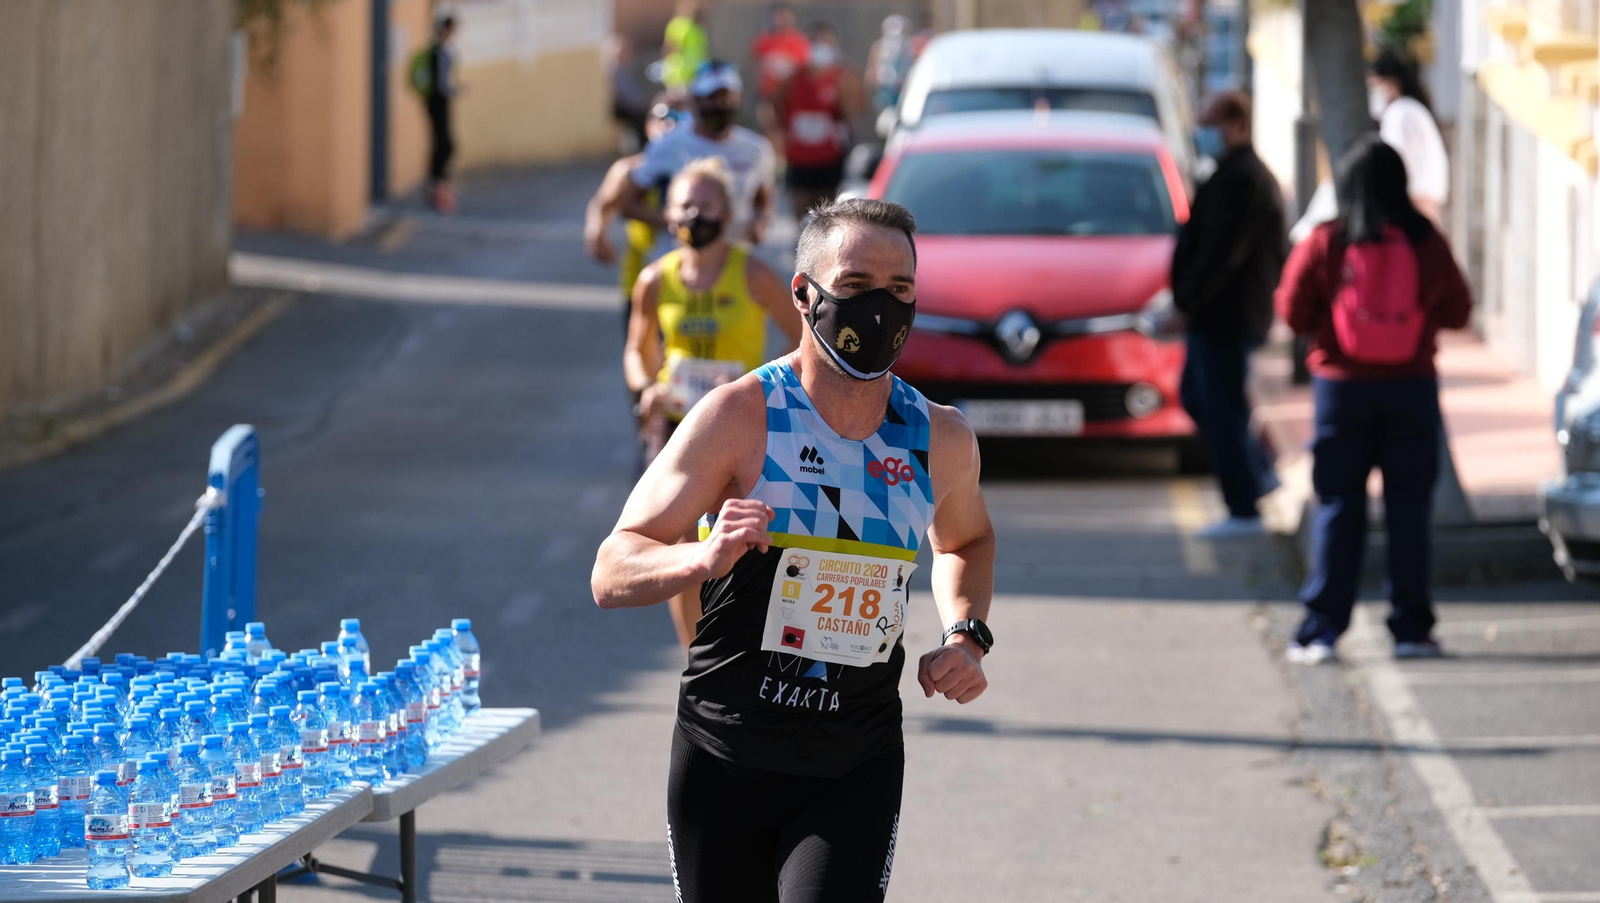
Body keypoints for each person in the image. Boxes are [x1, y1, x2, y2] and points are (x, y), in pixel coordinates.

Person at [592, 198, 996, 902]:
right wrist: (701, 558)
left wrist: (966, 633)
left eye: (901, 290)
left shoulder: (939, 435)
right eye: (857, 285)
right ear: (804, 296)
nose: (880, 308)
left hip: (854, 761)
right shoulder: (740, 417)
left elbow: (966, 538)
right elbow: (613, 565)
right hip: (726, 756)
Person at [1278, 135, 1472, 664]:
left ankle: (1321, 629)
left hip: (1341, 390)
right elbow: (1459, 310)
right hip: (1411, 389)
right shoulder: (1425, 239)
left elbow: (1292, 312)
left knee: (1340, 508)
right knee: (1409, 511)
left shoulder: (1327, 239)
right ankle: (1411, 629)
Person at [625, 158, 803, 652]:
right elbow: (636, 349)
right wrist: (647, 389)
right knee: (679, 546)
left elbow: (805, 340)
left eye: (707, 204)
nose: (694, 214)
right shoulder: (655, 280)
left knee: (739, 545)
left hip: (739, 428)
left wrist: (760, 385)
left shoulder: (755, 274)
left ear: (728, 212)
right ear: (669, 213)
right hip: (679, 426)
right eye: (685, 204)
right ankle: (694, 656)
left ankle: (742, 650)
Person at [1171, 91, 1287, 536]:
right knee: (1202, 398)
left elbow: (1221, 254)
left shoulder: (1243, 178)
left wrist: (1186, 306)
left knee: (1221, 409)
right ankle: (1258, 472)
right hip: (1218, 316)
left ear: (1237, 125)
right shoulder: (1231, 173)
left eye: (1211, 123)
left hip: (1226, 317)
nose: (1203, 132)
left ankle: (1245, 507)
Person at [621, 61, 777, 245]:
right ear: (695, 99)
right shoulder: (668, 144)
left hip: (736, 260)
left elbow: (764, 197)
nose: (721, 104)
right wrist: (673, 219)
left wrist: (760, 223)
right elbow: (629, 204)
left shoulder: (757, 148)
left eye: (727, 96)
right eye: (711, 97)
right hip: (680, 259)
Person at [585, 94, 690, 332]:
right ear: (647, 125)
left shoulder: (695, 170)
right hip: (640, 279)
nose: (672, 125)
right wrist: (597, 233)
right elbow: (602, 204)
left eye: (683, 117)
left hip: (687, 281)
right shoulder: (630, 168)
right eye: (665, 116)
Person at [776, 24, 861, 217]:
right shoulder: (792, 78)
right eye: (817, 42)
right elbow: (775, 105)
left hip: (829, 157)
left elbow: (853, 111)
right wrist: (783, 133)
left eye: (827, 43)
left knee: (827, 213)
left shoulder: (841, 78)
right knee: (801, 211)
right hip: (799, 157)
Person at [1369, 46, 1449, 227]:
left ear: (1393, 85)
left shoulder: (1400, 114)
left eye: (1375, 85)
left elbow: (1394, 164)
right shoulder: (1409, 110)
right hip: (1423, 203)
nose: (1373, 92)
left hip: (1414, 206)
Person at [751, 3, 811, 151]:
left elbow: (804, 69)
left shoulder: (799, 42)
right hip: (768, 95)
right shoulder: (763, 42)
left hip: (790, 95)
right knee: (770, 128)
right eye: (778, 16)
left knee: (789, 130)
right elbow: (757, 68)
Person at [421, 15, 461, 213]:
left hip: (437, 103)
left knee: (443, 144)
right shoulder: (438, 52)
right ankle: (438, 187)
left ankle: (439, 185)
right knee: (444, 144)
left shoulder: (439, 51)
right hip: (438, 103)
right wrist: (456, 90)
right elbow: (442, 83)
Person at [607, 35, 652, 152]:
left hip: (630, 105)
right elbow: (626, 95)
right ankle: (644, 148)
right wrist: (639, 103)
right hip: (623, 107)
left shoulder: (626, 69)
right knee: (640, 118)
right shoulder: (616, 71)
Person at [866, 15, 916, 113]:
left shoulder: (911, 46)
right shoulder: (878, 47)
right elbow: (872, 70)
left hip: (905, 88)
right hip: (885, 90)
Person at [662, 1, 710, 92]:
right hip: (680, 77)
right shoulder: (677, 25)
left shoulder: (698, 29)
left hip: (697, 75)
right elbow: (669, 48)